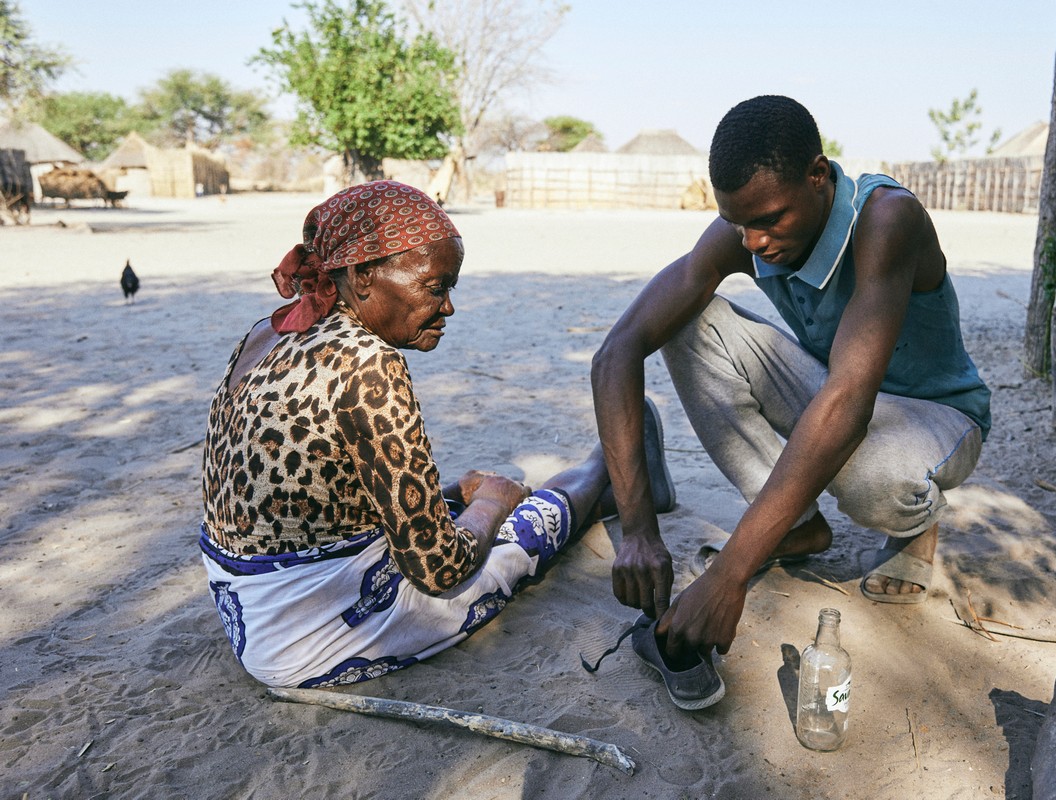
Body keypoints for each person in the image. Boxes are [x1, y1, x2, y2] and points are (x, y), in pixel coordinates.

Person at [200, 181, 668, 688]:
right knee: (519, 530)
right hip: (308, 633)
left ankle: (619, 478)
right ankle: (612, 462)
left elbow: (311, 496)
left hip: (244, 608)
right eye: (434, 286)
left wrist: (448, 497)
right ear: (362, 276)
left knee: (457, 504)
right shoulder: (368, 363)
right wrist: (493, 501)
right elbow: (441, 570)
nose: (448, 308)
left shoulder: (270, 330)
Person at [591, 96, 991, 663]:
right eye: (738, 223)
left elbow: (849, 404)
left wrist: (730, 574)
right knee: (687, 322)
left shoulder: (886, 220)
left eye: (769, 220)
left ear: (818, 176)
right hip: (841, 386)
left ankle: (915, 524)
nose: (752, 242)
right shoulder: (748, 231)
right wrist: (637, 531)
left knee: (873, 477)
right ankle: (795, 528)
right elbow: (616, 353)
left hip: (935, 416)